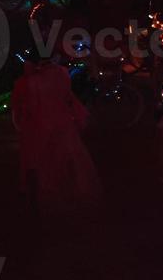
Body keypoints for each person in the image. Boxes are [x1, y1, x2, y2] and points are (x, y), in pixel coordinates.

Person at [12, 36, 101, 221]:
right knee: (68, 160)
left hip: (37, 127)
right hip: (62, 123)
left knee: (39, 163)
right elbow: (67, 98)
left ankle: (43, 203)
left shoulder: (25, 81)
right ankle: (71, 198)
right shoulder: (61, 73)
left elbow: (20, 109)